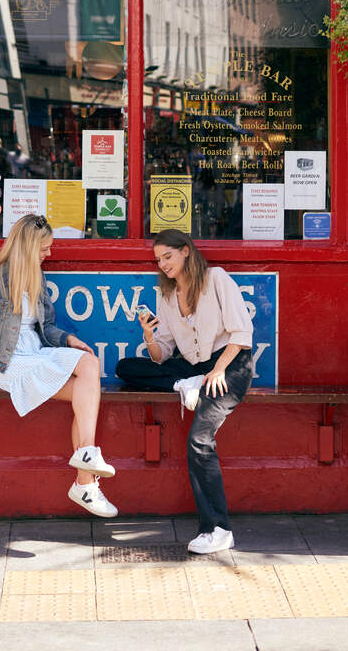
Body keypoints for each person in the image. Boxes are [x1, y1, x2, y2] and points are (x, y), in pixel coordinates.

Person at [0, 213, 118, 518]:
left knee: (89, 365)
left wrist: (69, 340)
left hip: (36, 352)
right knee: (86, 392)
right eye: (44, 249)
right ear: (28, 247)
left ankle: (86, 462)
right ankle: (86, 482)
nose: (49, 254)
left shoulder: (37, 278)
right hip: (7, 363)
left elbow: (48, 327)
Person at [115, 229, 253, 554]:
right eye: (158, 260)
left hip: (229, 365)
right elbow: (161, 354)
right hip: (191, 369)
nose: (163, 264)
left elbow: (243, 332)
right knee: (126, 367)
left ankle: (218, 529)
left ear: (186, 251)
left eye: (168, 256)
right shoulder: (166, 296)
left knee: (199, 440)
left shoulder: (216, 279)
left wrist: (218, 370)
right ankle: (183, 385)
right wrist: (149, 336)